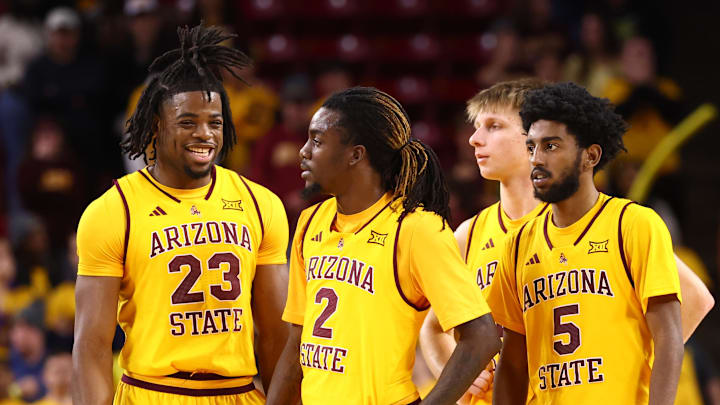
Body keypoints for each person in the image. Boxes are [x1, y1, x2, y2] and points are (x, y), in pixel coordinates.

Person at [419, 79, 714, 404]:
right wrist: (462, 383)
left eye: (493, 126)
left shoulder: (598, 218)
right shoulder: (473, 233)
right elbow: (434, 329)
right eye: (476, 127)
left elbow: (696, 299)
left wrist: (632, 364)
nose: (475, 139)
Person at [72, 24, 289, 405]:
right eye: (187, 122)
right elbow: (91, 344)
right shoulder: (113, 211)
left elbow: (275, 336)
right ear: (156, 126)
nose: (204, 134)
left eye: (215, 123)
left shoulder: (260, 203)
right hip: (152, 392)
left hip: (237, 392)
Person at [266, 87, 501, 405]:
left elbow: (482, 336)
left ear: (355, 154)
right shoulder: (310, 222)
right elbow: (297, 342)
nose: (303, 151)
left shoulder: (416, 228)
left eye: (318, 141)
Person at [487, 82, 683, 404]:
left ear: (589, 156)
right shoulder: (518, 242)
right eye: (532, 147)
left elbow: (669, 337)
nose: (536, 159)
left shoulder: (633, 224)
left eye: (551, 146)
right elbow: (512, 361)